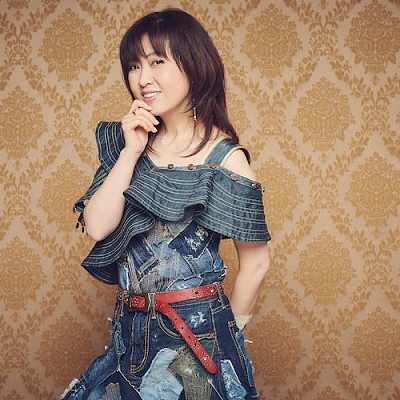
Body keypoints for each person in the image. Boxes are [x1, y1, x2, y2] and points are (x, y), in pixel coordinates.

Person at [61, 8, 271, 400]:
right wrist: (130, 152)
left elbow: (256, 263)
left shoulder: (224, 159)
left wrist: (226, 340)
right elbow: (97, 227)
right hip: (130, 329)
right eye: (134, 65)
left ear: (194, 65)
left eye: (157, 61)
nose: (143, 79)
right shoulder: (127, 146)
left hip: (197, 331)